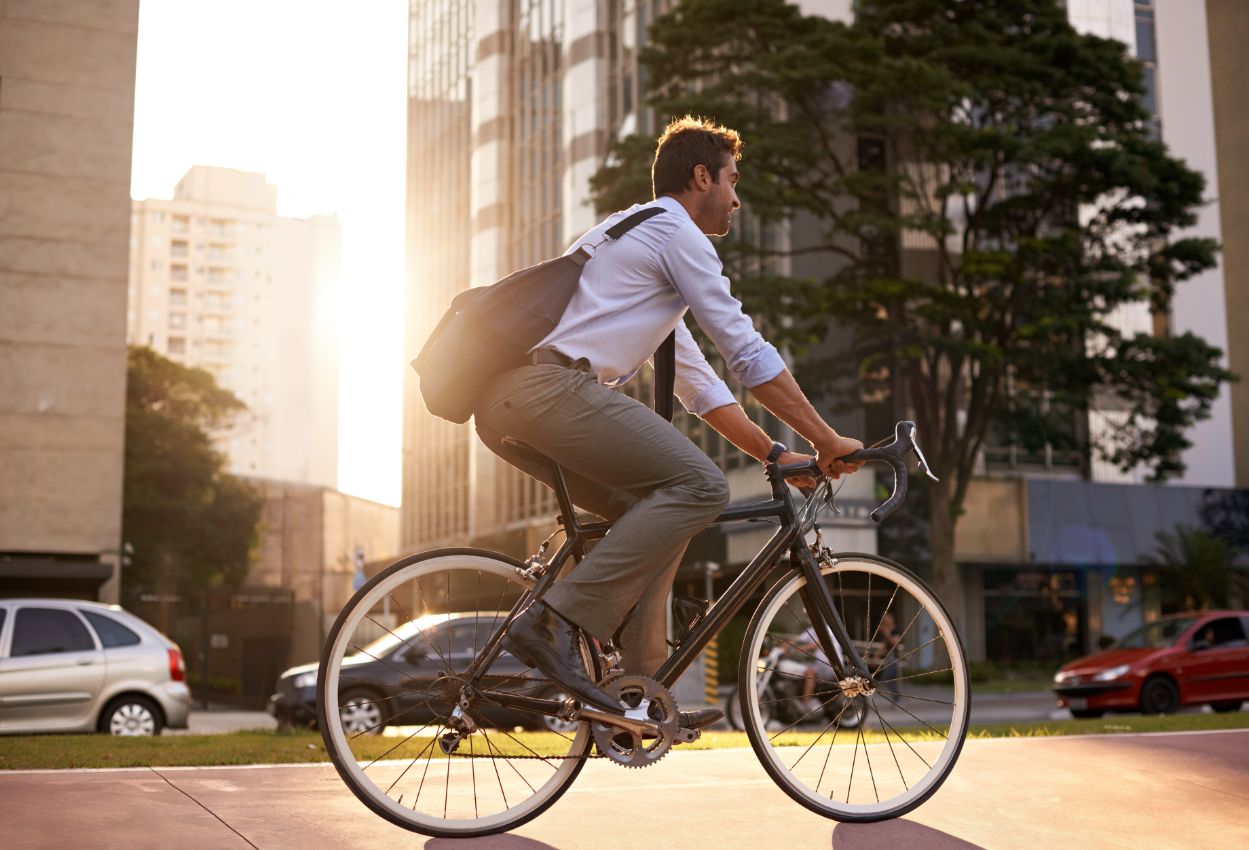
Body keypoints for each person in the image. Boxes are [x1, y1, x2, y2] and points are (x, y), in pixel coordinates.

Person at [477, 116, 864, 728]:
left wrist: (773, 454)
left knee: (660, 514)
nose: (737, 199)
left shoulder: (636, 241)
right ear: (701, 176)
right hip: (547, 390)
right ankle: (552, 623)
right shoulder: (675, 232)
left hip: (510, 400)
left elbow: (699, 384)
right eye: (733, 181)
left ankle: (638, 699)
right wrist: (826, 439)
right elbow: (745, 352)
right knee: (702, 486)